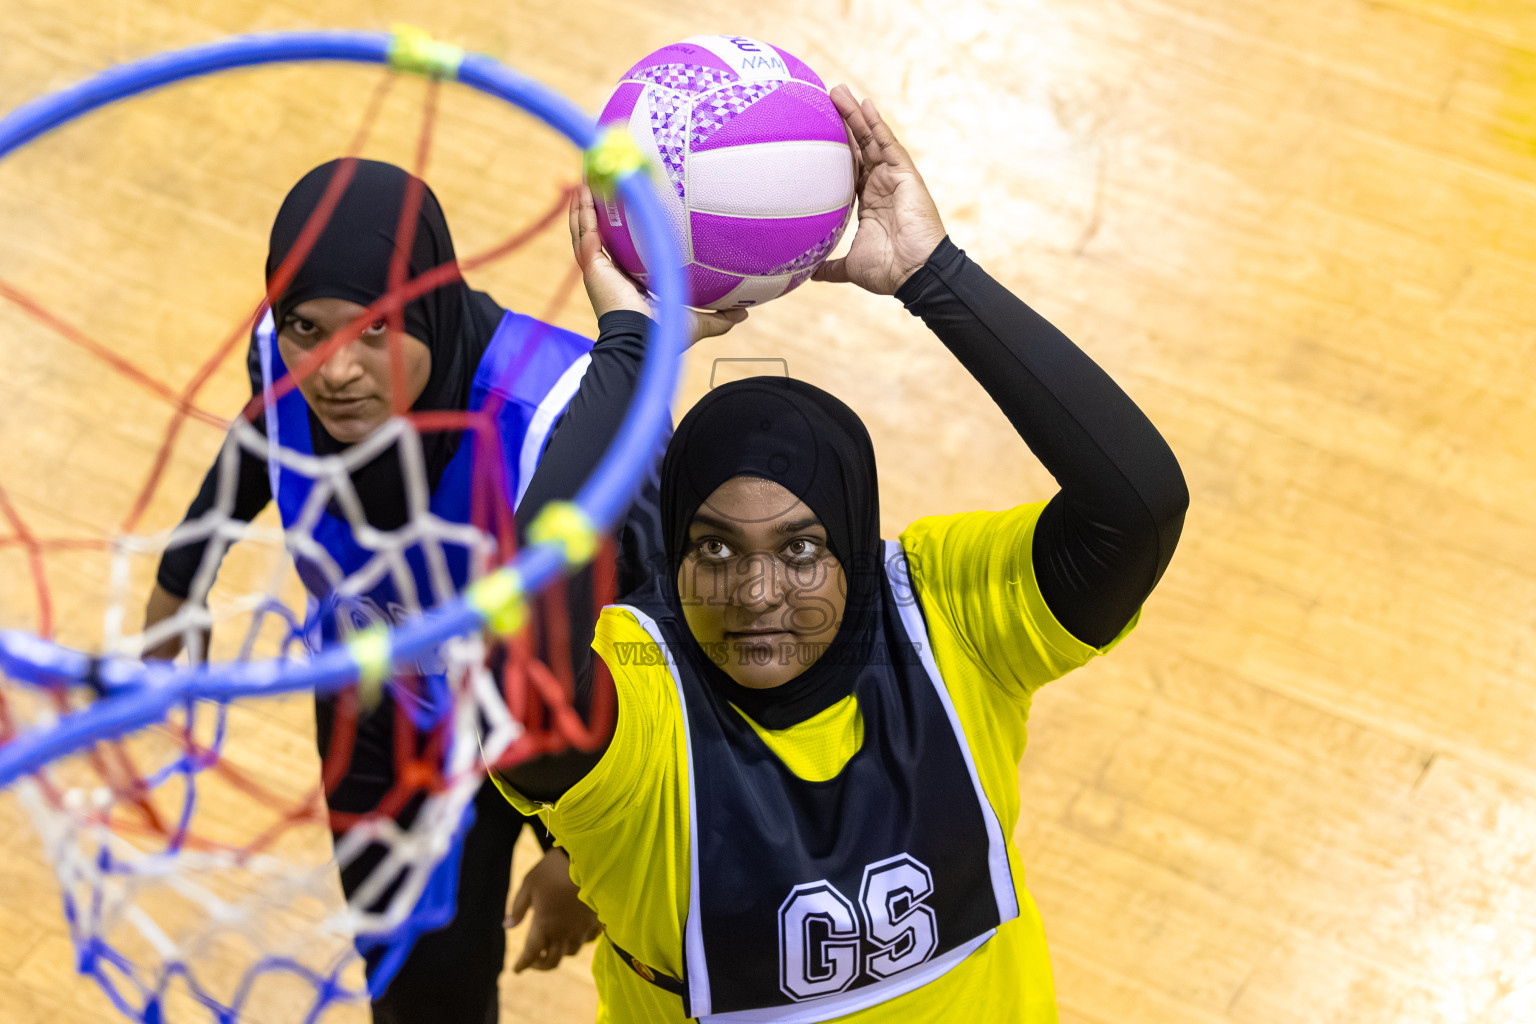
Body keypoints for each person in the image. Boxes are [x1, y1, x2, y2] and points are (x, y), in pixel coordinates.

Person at [491, 84, 1190, 1023]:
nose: (757, 593)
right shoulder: (643, 707)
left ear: (861, 547)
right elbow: (511, 654)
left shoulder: (945, 618)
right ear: (669, 556)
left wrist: (932, 273)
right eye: (713, 549)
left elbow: (1137, 506)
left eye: (804, 549)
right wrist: (634, 349)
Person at [141, 158, 744, 1022]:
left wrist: (583, 847)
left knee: (676, 957)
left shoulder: (563, 411)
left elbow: (679, 632)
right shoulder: (283, 357)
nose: (334, 370)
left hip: (573, 728)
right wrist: (182, 577)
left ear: (426, 306)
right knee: (421, 995)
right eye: (308, 326)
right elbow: (260, 428)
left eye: (377, 330)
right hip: (389, 714)